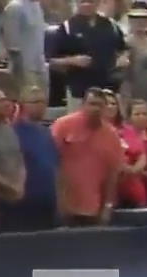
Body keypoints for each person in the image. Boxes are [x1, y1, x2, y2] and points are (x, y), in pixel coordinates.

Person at [51, 87, 124, 227]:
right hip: (64, 207)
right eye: (92, 104)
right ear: (82, 105)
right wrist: (59, 201)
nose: (96, 109)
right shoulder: (62, 126)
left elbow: (112, 175)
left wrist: (107, 206)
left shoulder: (112, 134)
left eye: (100, 105)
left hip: (94, 209)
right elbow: (52, 164)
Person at [50, 0, 129, 109]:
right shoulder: (67, 27)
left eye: (90, 1)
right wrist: (73, 60)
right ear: (76, 3)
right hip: (79, 90)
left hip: (108, 89)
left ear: (97, 2)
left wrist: (123, 59)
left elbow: (123, 49)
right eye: (83, 1)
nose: (87, 4)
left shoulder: (110, 25)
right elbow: (52, 61)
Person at [0, 85, 60, 234]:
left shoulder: (46, 133)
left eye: (43, 102)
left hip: (47, 204)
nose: (41, 106)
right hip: (21, 206)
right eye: (36, 102)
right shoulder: (12, 132)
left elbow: (55, 166)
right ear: (23, 104)